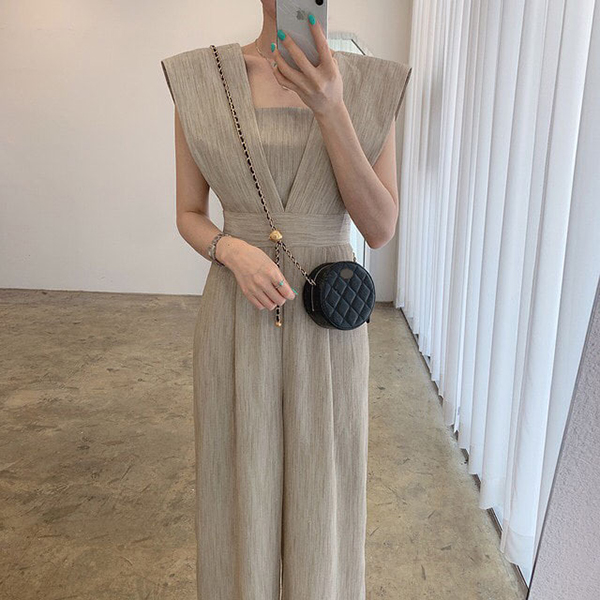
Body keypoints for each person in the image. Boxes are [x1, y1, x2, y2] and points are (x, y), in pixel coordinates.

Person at [160, 1, 412, 598]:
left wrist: (332, 107)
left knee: (324, 496)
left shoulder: (369, 85)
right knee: (235, 487)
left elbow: (379, 227)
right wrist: (230, 249)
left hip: (329, 326)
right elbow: (189, 212)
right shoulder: (200, 79)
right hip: (236, 314)